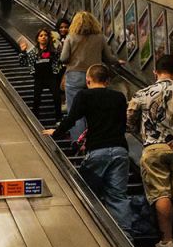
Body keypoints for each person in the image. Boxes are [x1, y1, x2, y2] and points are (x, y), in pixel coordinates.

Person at [44, 64, 131, 230]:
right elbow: (123, 123)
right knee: (118, 195)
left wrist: (55, 133)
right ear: (107, 80)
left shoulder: (84, 95)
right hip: (120, 150)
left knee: (84, 189)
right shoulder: (119, 97)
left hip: (98, 150)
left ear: (88, 80)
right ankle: (126, 235)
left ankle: (89, 228)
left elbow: (71, 118)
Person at [128, 54, 173, 247]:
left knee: (160, 193)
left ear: (155, 71)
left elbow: (130, 118)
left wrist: (142, 135)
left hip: (153, 148)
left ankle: (167, 240)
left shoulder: (142, 93)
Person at [59, 11, 120, 141]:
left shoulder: (71, 37)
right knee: (96, 109)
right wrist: (117, 60)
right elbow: (109, 58)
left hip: (75, 76)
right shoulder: (99, 37)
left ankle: (79, 142)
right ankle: (95, 139)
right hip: (95, 76)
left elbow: (63, 58)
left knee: (75, 111)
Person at [17, 28, 65, 121]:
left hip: (51, 77)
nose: (43, 37)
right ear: (37, 38)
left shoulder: (53, 52)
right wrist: (23, 51)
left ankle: (59, 119)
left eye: (45, 35)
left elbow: (60, 61)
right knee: (36, 98)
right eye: (41, 35)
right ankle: (35, 119)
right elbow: (23, 63)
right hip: (39, 78)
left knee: (56, 97)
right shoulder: (33, 52)